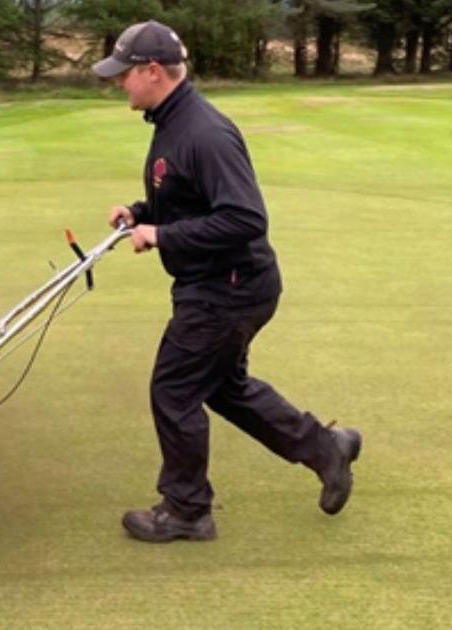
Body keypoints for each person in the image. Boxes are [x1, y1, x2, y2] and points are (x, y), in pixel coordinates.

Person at [93, 20, 363, 543]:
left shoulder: (204, 133)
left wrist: (162, 235)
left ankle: (187, 510)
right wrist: (141, 213)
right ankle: (327, 449)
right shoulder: (171, 122)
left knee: (174, 390)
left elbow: (244, 219)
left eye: (124, 74)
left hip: (229, 288)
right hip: (220, 283)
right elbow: (188, 199)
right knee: (223, 387)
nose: (118, 83)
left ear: (152, 71)